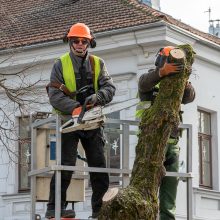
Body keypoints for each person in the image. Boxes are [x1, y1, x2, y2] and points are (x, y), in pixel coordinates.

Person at [45, 23, 116, 219]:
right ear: (69, 42)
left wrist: (98, 97)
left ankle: (99, 210)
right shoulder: (60, 64)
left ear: (89, 42)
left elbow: (110, 88)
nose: (79, 44)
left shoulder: (98, 63)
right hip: (69, 120)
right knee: (65, 164)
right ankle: (54, 208)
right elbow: (54, 96)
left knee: (98, 166)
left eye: (83, 41)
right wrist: (75, 108)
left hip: (92, 120)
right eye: (75, 40)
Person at [138, 46, 195, 220]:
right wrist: (162, 73)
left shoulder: (178, 85)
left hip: (172, 143)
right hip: (151, 142)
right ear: (161, 61)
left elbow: (190, 96)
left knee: (169, 192)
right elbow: (143, 83)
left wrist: (185, 82)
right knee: (147, 188)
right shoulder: (150, 79)